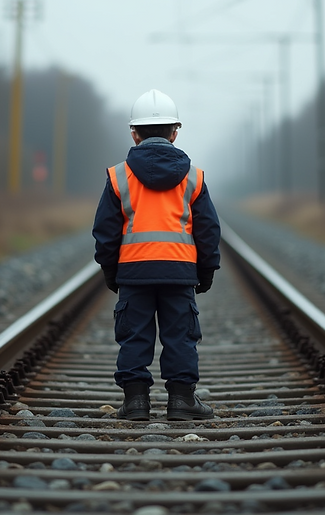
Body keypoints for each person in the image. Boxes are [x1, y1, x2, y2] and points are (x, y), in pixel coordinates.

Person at [92, 89, 221, 421]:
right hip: (180, 271)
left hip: (134, 272)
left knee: (134, 336)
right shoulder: (194, 177)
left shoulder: (118, 176)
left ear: (134, 133)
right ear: (175, 132)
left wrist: (110, 269)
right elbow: (207, 228)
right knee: (181, 337)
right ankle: (181, 402)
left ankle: (136, 403)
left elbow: (106, 230)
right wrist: (207, 269)